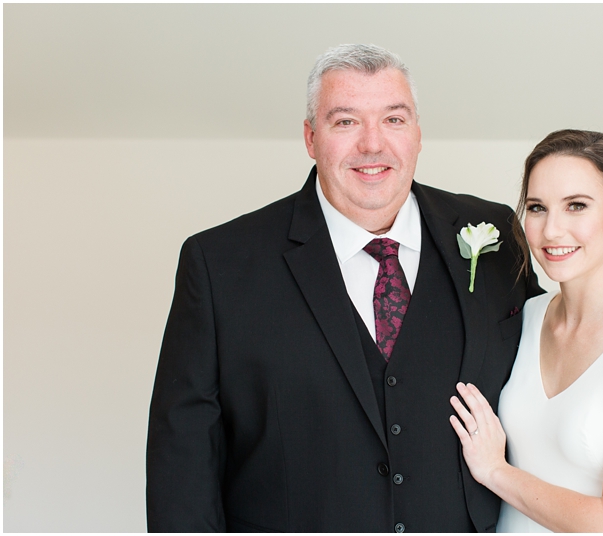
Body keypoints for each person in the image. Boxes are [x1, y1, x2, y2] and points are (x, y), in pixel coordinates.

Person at [146, 43, 543, 532]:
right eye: (346, 121)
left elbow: (550, 381)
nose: (373, 145)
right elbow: (182, 464)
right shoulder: (219, 264)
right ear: (311, 138)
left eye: (394, 119)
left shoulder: (495, 233)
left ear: (418, 134)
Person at [449, 130, 603, 532]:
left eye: (576, 206)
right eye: (537, 207)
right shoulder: (527, 316)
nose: (551, 230)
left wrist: (495, 471)